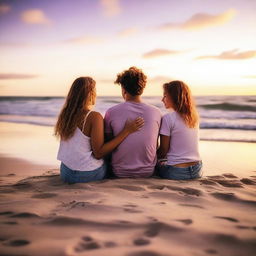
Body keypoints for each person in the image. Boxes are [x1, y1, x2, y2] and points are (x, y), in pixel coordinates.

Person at [55, 77, 144, 183]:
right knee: (110, 159)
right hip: (86, 174)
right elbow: (99, 153)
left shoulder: (65, 115)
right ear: (90, 93)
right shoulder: (93, 117)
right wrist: (126, 131)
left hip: (66, 172)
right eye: (95, 90)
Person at [104, 67, 162, 178]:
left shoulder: (111, 112)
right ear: (142, 89)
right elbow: (155, 145)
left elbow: (108, 146)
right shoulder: (156, 112)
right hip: (148, 172)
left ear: (123, 89)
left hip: (119, 172)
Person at [157, 80, 202, 180]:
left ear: (174, 97)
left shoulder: (168, 118)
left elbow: (164, 151)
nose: (162, 99)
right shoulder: (194, 117)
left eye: (165, 96)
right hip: (197, 169)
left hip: (176, 172)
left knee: (156, 164)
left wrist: (151, 156)